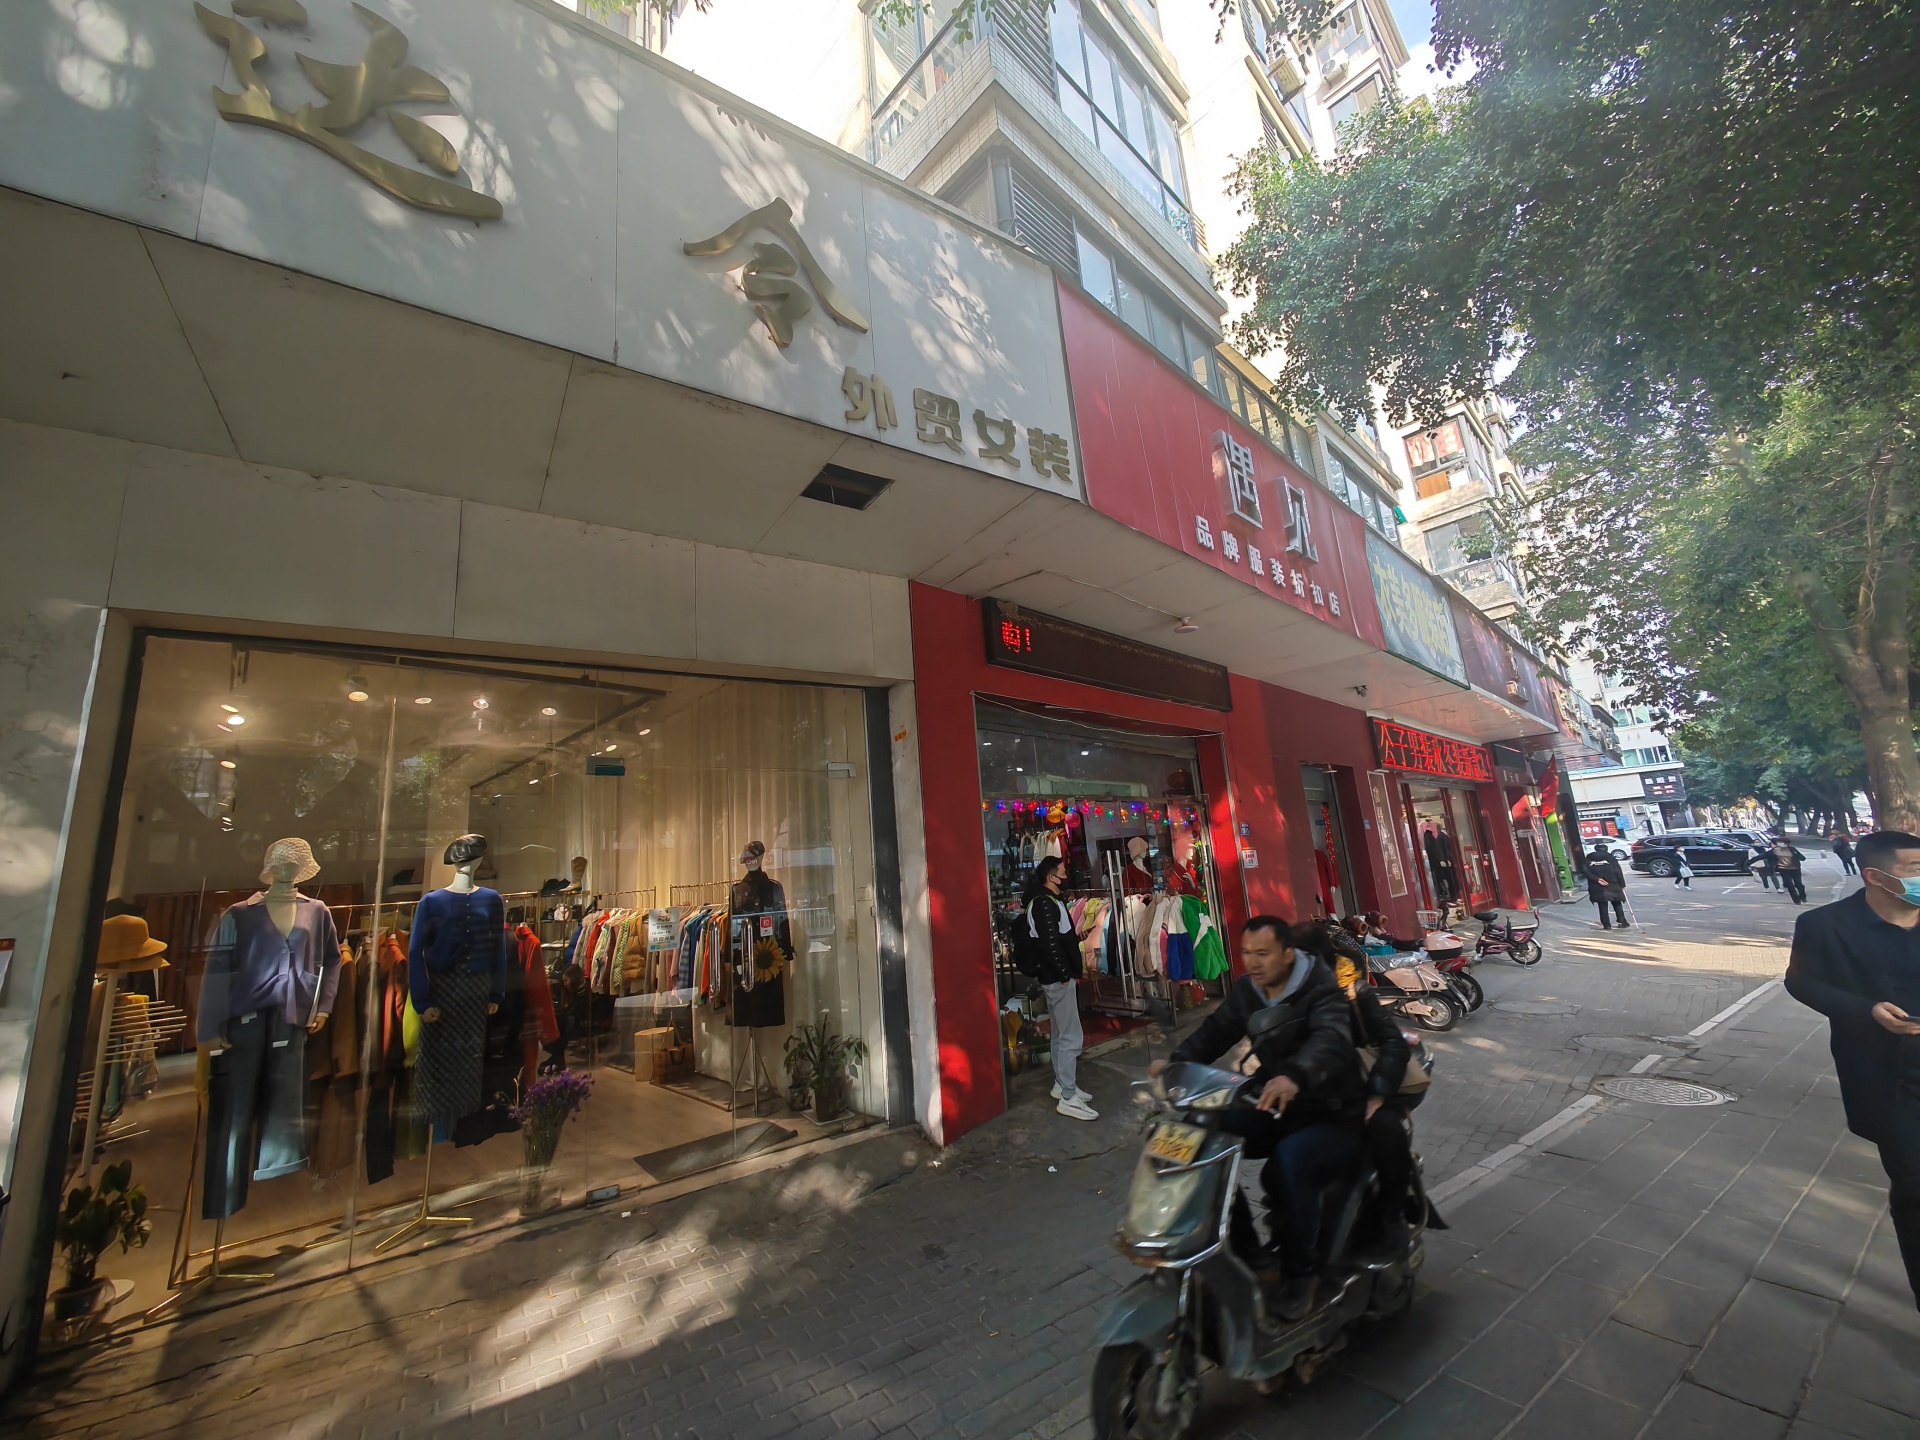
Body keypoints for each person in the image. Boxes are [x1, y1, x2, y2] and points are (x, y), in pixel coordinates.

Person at [1150, 916, 1364, 1319]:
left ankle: (1301, 1276)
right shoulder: (1249, 990)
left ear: (1287, 954)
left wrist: (1295, 1075)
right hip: (1276, 1103)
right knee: (1202, 1137)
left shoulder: (1321, 988)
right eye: (1247, 953)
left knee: (1291, 1162)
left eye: (1263, 953)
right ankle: (1250, 1253)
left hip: (1333, 1111)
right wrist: (1176, 1065)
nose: (1253, 962)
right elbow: (1216, 1031)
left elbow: (1331, 1039)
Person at [1783, 831, 1920, 1311]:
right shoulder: (1825, 925)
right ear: (1875, 876)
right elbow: (1800, 981)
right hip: (1890, 1077)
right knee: (1915, 1185)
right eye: (1914, 869)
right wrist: (1865, 1011)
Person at [1291, 921, 1435, 1236]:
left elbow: (1392, 1043)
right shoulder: (1291, 996)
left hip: (1365, 1086)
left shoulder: (1354, 992)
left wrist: (1378, 1092)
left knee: (1383, 1132)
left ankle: (1392, 1222)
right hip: (1319, 1093)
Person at [1021, 857, 1095, 1121]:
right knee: (1070, 1036)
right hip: (1057, 979)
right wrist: (1064, 974)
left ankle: (1062, 1085)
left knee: (1060, 1033)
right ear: (1051, 877)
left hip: (1055, 977)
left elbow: (1056, 938)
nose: (1067, 875)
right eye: (1063, 872)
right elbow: (1049, 943)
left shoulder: (1049, 901)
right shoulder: (1044, 903)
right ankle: (1068, 1096)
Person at [1587, 843, 1629, 929]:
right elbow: (1618, 871)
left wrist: (1597, 879)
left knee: (1602, 904)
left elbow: (1584, 871)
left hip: (1596, 885)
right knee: (1616, 902)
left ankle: (1606, 925)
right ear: (1606, 849)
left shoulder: (1589, 858)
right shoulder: (1610, 858)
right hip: (1612, 883)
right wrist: (1622, 884)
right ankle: (1622, 921)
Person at [1775, 836, 1809, 905]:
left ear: (1787, 843)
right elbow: (1764, 856)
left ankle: (1803, 897)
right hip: (1784, 870)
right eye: (1778, 842)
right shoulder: (1776, 850)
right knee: (1790, 885)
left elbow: (1802, 858)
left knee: (1798, 884)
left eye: (1781, 842)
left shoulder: (1792, 849)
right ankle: (1796, 900)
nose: (1779, 844)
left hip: (1795, 869)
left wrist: (1797, 856)